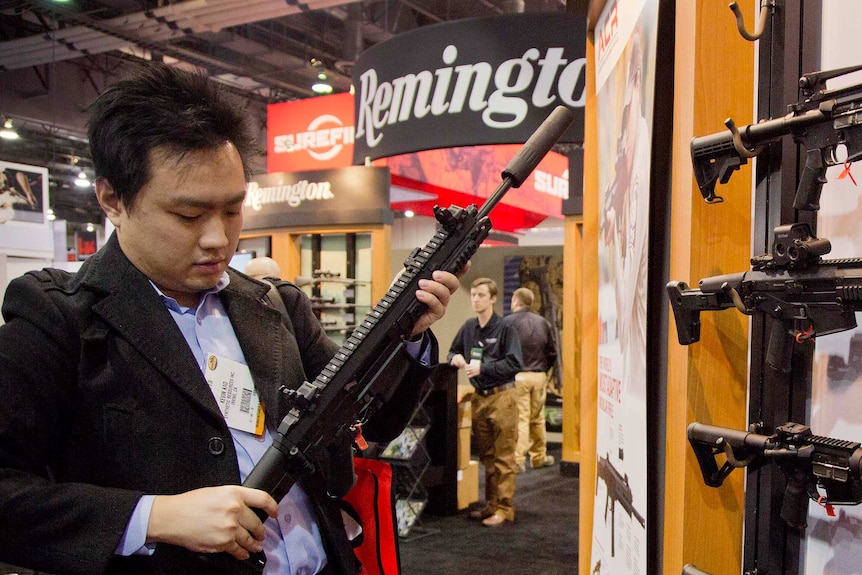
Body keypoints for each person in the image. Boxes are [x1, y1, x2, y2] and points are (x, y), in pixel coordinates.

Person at [0, 61, 460, 575]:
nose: (219, 238)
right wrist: (152, 515)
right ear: (113, 199)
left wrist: (408, 338)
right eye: (188, 216)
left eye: (234, 210)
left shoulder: (273, 304)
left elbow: (370, 419)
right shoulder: (57, 319)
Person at [448, 277, 522, 527]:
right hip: (479, 398)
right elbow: (452, 351)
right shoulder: (469, 327)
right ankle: (491, 504)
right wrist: (456, 358)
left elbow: (514, 363)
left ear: (493, 298)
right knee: (487, 457)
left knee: (504, 457)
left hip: (503, 397)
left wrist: (485, 368)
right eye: (474, 295)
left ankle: (504, 507)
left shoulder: (505, 328)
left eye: (481, 295)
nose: (476, 299)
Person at [505, 287, 557, 473]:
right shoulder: (543, 322)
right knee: (538, 418)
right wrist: (543, 371)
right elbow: (552, 352)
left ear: (516, 301)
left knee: (521, 418)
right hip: (539, 376)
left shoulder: (508, 323)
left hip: (519, 377)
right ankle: (539, 457)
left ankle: (518, 460)